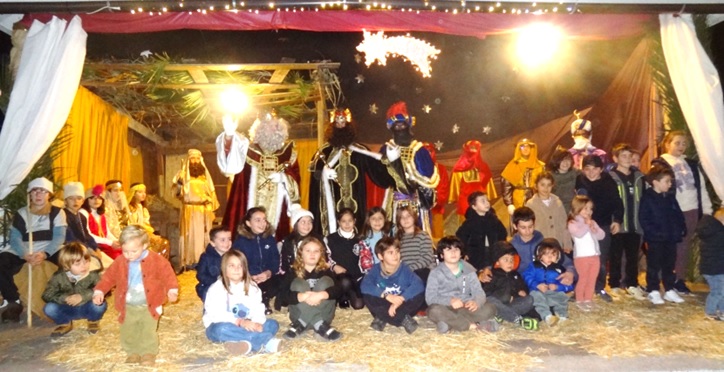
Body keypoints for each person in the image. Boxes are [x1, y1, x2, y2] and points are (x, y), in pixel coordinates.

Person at [92, 225, 179, 366]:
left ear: (144, 245)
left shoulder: (156, 260)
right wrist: (99, 291)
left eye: (134, 251)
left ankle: (148, 353)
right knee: (128, 329)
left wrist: (172, 290)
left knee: (148, 330)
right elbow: (108, 277)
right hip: (128, 305)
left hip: (149, 304)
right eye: (125, 251)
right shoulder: (120, 261)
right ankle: (132, 352)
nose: (129, 255)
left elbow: (168, 275)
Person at [217, 112, 301, 240]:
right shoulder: (246, 149)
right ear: (259, 129)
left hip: (278, 209)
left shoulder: (288, 154)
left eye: (276, 126)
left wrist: (283, 179)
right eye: (268, 125)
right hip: (247, 204)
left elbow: (295, 177)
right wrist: (229, 137)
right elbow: (230, 164)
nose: (274, 129)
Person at [308, 108, 389, 235]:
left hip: (357, 209)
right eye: (337, 123)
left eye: (343, 122)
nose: (340, 126)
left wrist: (392, 160)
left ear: (349, 125)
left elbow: (379, 174)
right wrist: (323, 174)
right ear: (332, 125)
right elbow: (314, 181)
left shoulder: (360, 151)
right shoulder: (323, 153)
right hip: (332, 209)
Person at [651, 131, 713, 295]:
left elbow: (700, 188)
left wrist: (706, 210)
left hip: (691, 209)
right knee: (668, 246)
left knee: (684, 247)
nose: (681, 146)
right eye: (677, 142)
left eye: (684, 143)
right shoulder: (660, 164)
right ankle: (661, 279)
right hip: (672, 211)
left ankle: (678, 279)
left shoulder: (692, 165)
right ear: (667, 144)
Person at [1, 177, 67, 323]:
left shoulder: (57, 213)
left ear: (49, 194)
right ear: (29, 194)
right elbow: (15, 237)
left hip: (48, 247)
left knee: (67, 258)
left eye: (42, 191)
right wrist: (24, 254)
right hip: (25, 249)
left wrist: (45, 254)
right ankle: (14, 301)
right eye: (35, 191)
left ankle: (63, 298)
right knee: (2, 261)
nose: (38, 195)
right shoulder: (22, 213)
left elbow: (59, 237)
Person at [203, 250, 283, 355]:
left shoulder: (252, 287)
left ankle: (237, 344)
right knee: (220, 330)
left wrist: (257, 322)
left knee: (272, 324)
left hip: (248, 324)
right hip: (225, 324)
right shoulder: (216, 288)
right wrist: (240, 322)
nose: (236, 269)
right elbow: (216, 314)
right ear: (224, 269)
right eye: (231, 265)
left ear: (245, 269)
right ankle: (265, 342)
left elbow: (257, 307)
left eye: (240, 266)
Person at [376, 101, 439, 233]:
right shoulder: (386, 149)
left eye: (402, 125)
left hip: (415, 201)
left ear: (408, 125)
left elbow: (429, 176)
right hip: (393, 201)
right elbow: (380, 176)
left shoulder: (419, 149)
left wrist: (413, 178)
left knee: (418, 233)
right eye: (396, 126)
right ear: (392, 128)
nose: (400, 128)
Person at [425, 236, 499, 334]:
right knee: (433, 311)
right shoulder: (435, 273)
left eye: (456, 249)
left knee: (491, 308)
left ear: (461, 253)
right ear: (442, 255)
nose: (453, 252)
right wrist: (450, 301)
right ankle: (470, 325)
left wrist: (476, 302)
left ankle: (449, 324)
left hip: (465, 307)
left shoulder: (469, 269)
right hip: (445, 307)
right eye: (448, 250)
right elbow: (430, 298)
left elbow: (479, 292)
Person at [575, 155, 623, 302]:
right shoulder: (579, 180)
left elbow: (618, 203)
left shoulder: (608, 182)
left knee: (600, 259)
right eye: (587, 169)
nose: (591, 172)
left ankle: (599, 287)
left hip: (602, 225)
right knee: (580, 258)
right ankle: (580, 289)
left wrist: (617, 220)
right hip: (582, 226)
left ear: (601, 169)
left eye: (595, 169)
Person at [278, 236, 343, 341]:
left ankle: (306, 325)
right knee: (298, 283)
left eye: (316, 251)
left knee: (326, 281)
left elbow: (339, 290)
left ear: (321, 254)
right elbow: (282, 296)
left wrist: (321, 295)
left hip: (324, 316)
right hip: (298, 317)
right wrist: (300, 296)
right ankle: (319, 325)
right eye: (308, 250)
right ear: (301, 253)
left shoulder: (325, 270)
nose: (312, 254)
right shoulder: (293, 272)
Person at [638, 165, 686, 305]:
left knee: (669, 263)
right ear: (655, 182)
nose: (670, 184)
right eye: (667, 181)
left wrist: (680, 228)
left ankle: (669, 288)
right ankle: (653, 290)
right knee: (654, 264)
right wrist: (654, 233)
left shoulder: (670, 197)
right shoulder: (648, 198)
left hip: (671, 237)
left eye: (670, 181)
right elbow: (644, 218)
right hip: (655, 239)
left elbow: (678, 213)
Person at [361, 237, 424, 334]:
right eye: (390, 252)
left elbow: (418, 284)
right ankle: (403, 319)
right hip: (385, 302)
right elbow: (365, 285)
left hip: (401, 304)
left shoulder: (404, 268)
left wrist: (401, 299)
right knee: (368, 296)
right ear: (381, 256)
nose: (395, 255)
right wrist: (387, 296)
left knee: (420, 294)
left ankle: (382, 318)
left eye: (397, 251)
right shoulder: (376, 269)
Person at [42, 242, 107, 337]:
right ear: (66, 265)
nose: (83, 266)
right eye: (78, 264)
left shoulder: (93, 274)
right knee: (49, 308)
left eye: (86, 261)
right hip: (67, 307)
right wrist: (65, 298)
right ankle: (65, 323)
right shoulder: (58, 276)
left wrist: (82, 296)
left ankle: (93, 320)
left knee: (100, 304)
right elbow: (47, 295)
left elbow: (101, 288)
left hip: (87, 306)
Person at [608, 143, 646, 300]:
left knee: (633, 257)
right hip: (617, 224)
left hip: (635, 224)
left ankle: (632, 284)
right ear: (615, 158)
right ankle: (614, 285)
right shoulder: (610, 177)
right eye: (623, 156)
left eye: (630, 156)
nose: (628, 159)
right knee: (615, 256)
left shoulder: (639, 177)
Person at [172, 149, 220, 269]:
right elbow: (176, 194)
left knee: (204, 236)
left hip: (203, 211)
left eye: (198, 158)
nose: (195, 161)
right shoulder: (182, 175)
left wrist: (210, 210)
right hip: (189, 210)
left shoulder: (205, 177)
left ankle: (204, 262)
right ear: (189, 160)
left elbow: (212, 195)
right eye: (193, 158)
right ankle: (189, 263)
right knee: (190, 236)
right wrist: (179, 182)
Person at [510, 207, 576, 289]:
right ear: (515, 226)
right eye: (523, 227)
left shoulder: (544, 243)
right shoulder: (511, 247)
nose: (527, 231)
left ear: (534, 224)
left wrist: (570, 272)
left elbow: (566, 261)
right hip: (524, 284)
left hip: (549, 282)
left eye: (530, 226)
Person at [231, 207, 280, 314]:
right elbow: (236, 263)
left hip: (266, 277)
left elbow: (275, 260)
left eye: (264, 219)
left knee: (283, 281)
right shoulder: (241, 241)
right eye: (258, 220)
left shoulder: (270, 239)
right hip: (249, 277)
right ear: (248, 223)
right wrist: (249, 276)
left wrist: (268, 272)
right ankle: (259, 301)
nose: (262, 223)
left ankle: (265, 297)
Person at [482, 241, 537, 330]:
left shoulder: (516, 275)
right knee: (490, 299)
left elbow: (523, 288)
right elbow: (486, 293)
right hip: (497, 303)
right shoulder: (492, 275)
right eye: (506, 260)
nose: (510, 263)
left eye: (512, 260)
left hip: (511, 304)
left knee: (529, 300)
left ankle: (502, 316)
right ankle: (517, 320)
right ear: (497, 262)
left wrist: (520, 292)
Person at [455, 191, 507, 281]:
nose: (487, 203)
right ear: (474, 206)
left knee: (493, 272)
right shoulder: (470, 222)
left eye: (487, 200)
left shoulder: (493, 219)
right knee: (478, 272)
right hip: (476, 254)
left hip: (492, 251)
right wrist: (465, 251)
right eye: (483, 201)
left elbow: (503, 233)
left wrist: (500, 247)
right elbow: (460, 237)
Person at [522, 238, 573, 326]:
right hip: (538, 291)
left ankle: (562, 316)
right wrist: (537, 285)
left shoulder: (560, 269)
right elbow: (526, 276)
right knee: (536, 296)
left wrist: (557, 287)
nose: (549, 257)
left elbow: (569, 285)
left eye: (553, 255)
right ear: (540, 256)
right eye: (546, 254)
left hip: (552, 294)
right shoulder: (534, 266)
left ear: (558, 256)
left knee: (562, 297)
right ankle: (547, 316)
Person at [568, 196, 605, 310]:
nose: (589, 211)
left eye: (590, 209)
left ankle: (588, 299)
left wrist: (594, 228)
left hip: (594, 256)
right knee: (583, 278)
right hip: (582, 257)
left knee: (592, 278)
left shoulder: (591, 222)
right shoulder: (572, 222)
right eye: (585, 209)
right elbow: (578, 234)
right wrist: (587, 225)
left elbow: (601, 235)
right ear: (577, 209)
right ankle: (580, 300)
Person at [326, 208, 365, 310]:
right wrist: (333, 266)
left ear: (354, 221)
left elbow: (363, 258)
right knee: (345, 282)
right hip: (339, 277)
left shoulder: (359, 239)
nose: (347, 224)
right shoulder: (331, 239)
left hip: (354, 277)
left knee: (358, 305)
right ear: (339, 222)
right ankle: (340, 296)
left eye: (350, 221)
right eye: (344, 221)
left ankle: (348, 294)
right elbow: (324, 257)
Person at [525, 172, 572, 253]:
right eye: (542, 185)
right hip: (540, 244)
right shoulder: (530, 204)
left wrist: (567, 243)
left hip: (557, 244)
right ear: (536, 186)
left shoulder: (558, 202)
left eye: (549, 185)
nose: (545, 188)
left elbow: (564, 225)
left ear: (552, 186)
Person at [448, 140, 494, 217]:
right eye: (471, 148)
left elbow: (488, 188)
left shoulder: (483, 167)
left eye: (475, 148)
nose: (473, 151)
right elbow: (455, 190)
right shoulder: (459, 168)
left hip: (481, 203)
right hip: (465, 202)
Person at [501, 138, 545, 218]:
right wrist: (509, 204)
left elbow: (545, 183)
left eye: (528, 146)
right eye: (522, 147)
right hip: (519, 199)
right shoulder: (513, 166)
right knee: (521, 221)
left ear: (531, 148)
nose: (525, 149)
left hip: (536, 197)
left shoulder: (539, 165)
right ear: (518, 149)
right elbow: (506, 186)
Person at [127, 183, 170, 260]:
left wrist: (150, 233)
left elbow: (146, 223)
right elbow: (131, 223)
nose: (143, 194)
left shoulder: (144, 209)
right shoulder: (129, 209)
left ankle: (159, 265)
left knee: (164, 243)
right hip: (134, 234)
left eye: (144, 192)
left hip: (144, 233)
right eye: (140, 192)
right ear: (133, 194)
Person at [279, 205, 325, 277]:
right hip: (295, 274)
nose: (307, 225)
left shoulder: (319, 239)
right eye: (303, 222)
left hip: (317, 273)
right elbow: (284, 263)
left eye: (310, 222)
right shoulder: (288, 241)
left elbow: (325, 258)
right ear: (296, 224)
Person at [395, 205, 436, 285]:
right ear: (398, 221)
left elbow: (427, 258)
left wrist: (411, 268)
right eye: (402, 217)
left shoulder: (422, 235)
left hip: (424, 270)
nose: (405, 219)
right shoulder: (397, 239)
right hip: (406, 271)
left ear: (414, 217)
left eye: (408, 216)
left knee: (418, 277)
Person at [696, 208, 724, 321]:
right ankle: (710, 311)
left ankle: (721, 310)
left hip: (712, 268)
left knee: (721, 290)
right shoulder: (719, 234)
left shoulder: (710, 232)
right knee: (717, 291)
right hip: (716, 268)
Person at [81, 184, 122, 260]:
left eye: (99, 198)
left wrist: (116, 241)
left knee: (126, 251)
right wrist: (110, 243)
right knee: (117, 256)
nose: (96, 200)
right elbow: (88, 235)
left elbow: (107, 233)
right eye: (92, 198)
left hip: (105, 243)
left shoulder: (101, 214)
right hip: (94, 245)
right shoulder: (83, 212)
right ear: (86, 200)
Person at [196, 226, 233, 302]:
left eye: (229, 239)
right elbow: (200, 275)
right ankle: (209, 309)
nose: (227, 243)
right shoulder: (205, 257)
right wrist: (217, 282)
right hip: (210, 285)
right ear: (213, 243)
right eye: (222, 240)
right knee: (207, 292)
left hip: (230, 285)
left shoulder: (233, 256)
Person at [62, 182, 98, 252]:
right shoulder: (62, 216)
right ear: (65, 201)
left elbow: (86, 235)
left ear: (82, 201)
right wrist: (88, 249)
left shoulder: (82, 217)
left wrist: (96, 247)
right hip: (72, 250)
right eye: (71, 198)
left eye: (79, 198)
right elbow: (70, 238)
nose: (75, 201)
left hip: (85, 248)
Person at [548, 148, 579, 214]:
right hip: (555, 209)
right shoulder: (549, 176)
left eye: (568, 160)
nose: (565, 163)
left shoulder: (576, 173)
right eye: (562, 160)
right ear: (556, 161)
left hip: (572, 209)